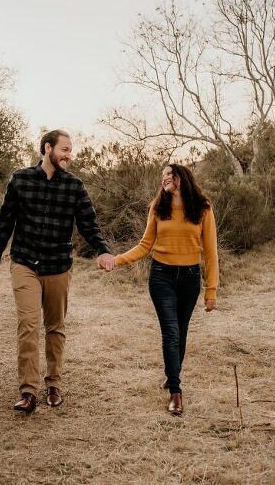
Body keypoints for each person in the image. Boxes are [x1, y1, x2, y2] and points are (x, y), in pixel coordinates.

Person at [0, 129, 115, 414]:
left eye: (70, 150)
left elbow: (88, 224)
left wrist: (102, 250)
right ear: (48, 148)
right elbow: (4, 221)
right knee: (28, 326)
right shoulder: (20, 180)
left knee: (55, 327)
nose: (69, 155)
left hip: (58, 264)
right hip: (24, 263)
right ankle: (28, 392)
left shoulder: (75, 186)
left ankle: (53, 383)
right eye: (65, 149)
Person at [111, 163, 218, 416]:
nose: (164, 179)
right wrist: (116, 260)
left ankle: (171, 374)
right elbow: (144, 245)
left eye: (169, 175)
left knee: (180, 332)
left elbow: (211, 253)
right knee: (170, 332)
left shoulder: (202, 208)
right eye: (162, 176)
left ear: (181, 177)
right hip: (161, 277)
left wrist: (211, 289)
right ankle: (176, 392)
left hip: (190, 278)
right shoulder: (158, 208)